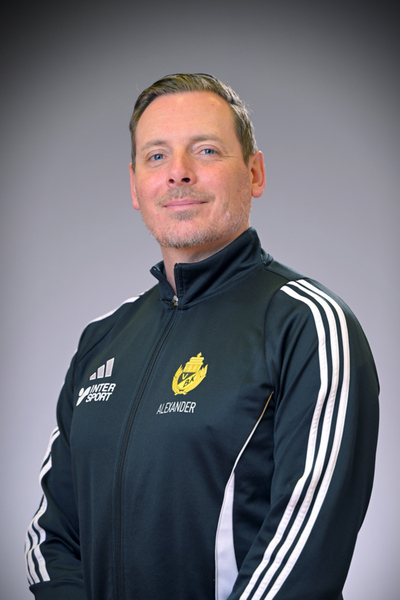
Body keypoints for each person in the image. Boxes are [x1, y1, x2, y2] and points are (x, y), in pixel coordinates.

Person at [25, 73, 379, 600]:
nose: (179, 173)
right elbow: (50, 539)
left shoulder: (307, 324)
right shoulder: (102, 339)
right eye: (157, 156)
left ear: (254, 173)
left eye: (206, 150)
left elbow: (305, 552)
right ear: (135, 186)